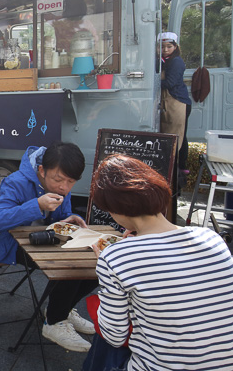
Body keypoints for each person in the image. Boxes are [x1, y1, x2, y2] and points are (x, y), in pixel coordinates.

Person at [85, 154, 233, 371]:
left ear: (115, 209)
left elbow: (114, 336)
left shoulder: (115, 257)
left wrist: (108, 266)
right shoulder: (212, 238)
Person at [0, 141, 96, 352]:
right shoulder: (16, 182)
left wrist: (70, 218)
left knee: (96, 262)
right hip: (10, 243)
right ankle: (54, 322)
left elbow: (62, 216)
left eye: (70, 181)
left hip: (47, 239)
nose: (64, 187)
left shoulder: (62, 187)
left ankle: (62, 308)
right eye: (58, 179)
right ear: (41, 170)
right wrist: (36, 205)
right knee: (70, 264)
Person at [158, 32, 192, 178]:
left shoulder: (176, 62)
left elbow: (170, 83)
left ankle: (179, 168)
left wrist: (150, 83)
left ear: (175, 46)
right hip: (169, 103)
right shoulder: (163, 61)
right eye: (162, 47)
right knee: (175, 136)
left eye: (169, 46)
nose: (165, 49)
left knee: (178, 136)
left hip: (178, 102)